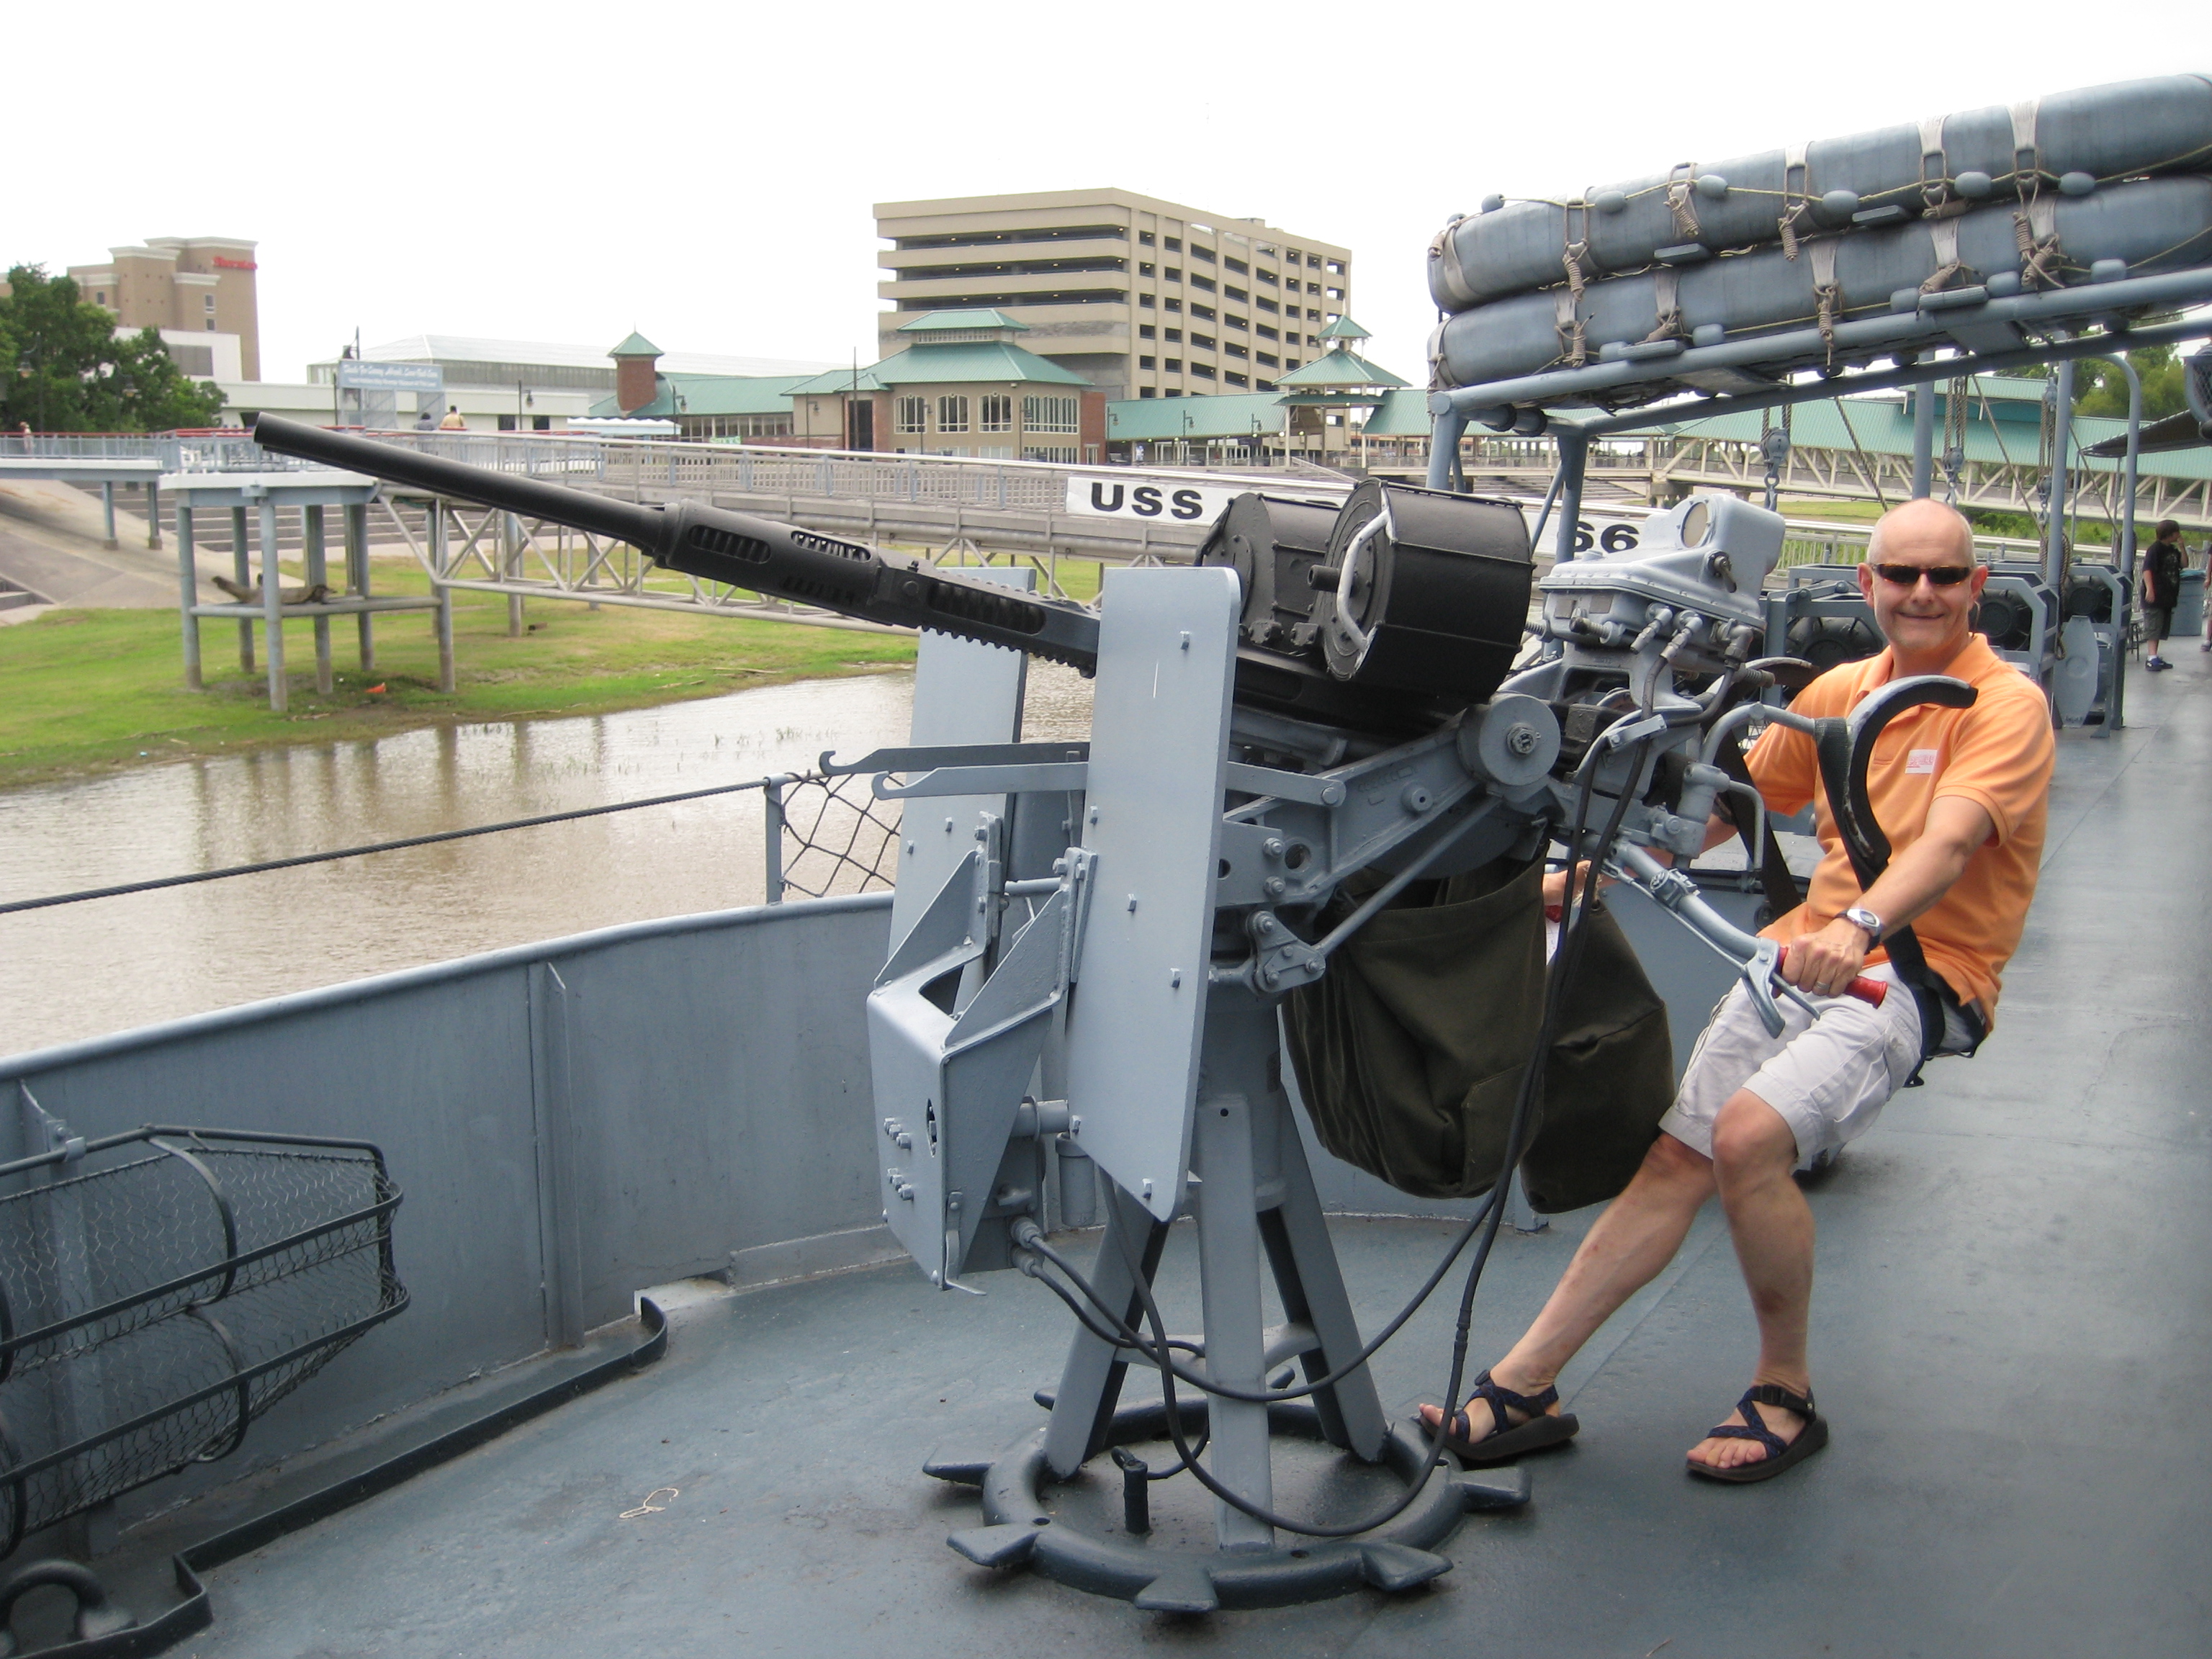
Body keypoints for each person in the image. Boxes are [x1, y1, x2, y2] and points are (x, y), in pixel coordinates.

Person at [1422, 497, 2054, 1484]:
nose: (1922, 593)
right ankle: (1524, 1385)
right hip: (1800, 959)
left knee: (1748, 1139)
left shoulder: (2005, 705)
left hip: (1915, 974)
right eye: (1901, 575)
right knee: (1679, 1157)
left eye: (1944, 575)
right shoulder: (1841, 691)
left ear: (1978, 586)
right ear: (1869, 585)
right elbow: (1727, 809)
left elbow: (1950, 842)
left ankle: (1784, 1393)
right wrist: (1586, 877)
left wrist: (1858, 927)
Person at [2141, 519, 2183, 671]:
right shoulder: (2155, 549)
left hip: (2168, 595)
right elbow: (2147, 569)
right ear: (2170, 534)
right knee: (2153, 624)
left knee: (2160, 627)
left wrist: (2182, 547)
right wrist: (2150, 589)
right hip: (2156, 594)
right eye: (2177, 532)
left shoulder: (2173, 550)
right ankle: (2151, 657)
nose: (2179, 535)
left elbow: (2184, 564)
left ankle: (2155, 656)